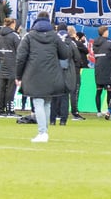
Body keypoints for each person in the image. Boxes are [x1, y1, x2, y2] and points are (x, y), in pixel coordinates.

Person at [15, 11, 70, 143]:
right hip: (52, 74)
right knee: (47, 103)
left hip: (34, 74)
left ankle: (42, 132)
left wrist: (18, 75)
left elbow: (20, 57)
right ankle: (44, 132)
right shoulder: (55, 36)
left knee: (38, 102)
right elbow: (65, 54)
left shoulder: (29, 36)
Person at [0, 18, 21, 116]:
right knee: (11, 89)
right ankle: (10, 111)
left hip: (3, 64)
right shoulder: (15, 36)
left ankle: (1, 110)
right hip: (12, 65)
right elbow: (20, 51)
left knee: (2, 88)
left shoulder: (0, 36)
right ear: (13, 24)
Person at [92, 25, 111, 113]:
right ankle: (109, 111)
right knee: (109, 91)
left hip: (98, 69)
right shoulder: (109, 43)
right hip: (108, 69)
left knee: (98, 91)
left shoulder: (95, 43)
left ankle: (98, 111)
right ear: (105, 32)